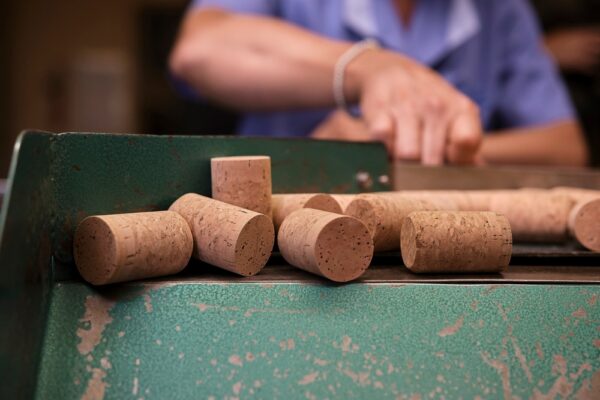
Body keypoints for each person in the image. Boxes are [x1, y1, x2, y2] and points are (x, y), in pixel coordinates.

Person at [169, 0, 589, 166]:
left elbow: (566, 147)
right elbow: (199, 50)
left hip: (445, 256)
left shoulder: (500, 10)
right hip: (283, 250)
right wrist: (366, 69)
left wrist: (431, 149)